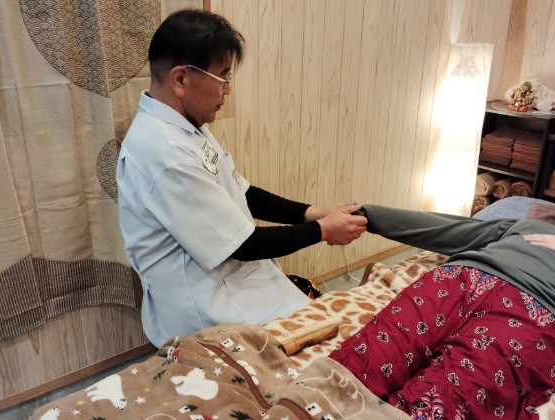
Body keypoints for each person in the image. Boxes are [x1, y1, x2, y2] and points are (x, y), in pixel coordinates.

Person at [116, 9, 367, 348]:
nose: (228, 90)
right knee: (339, 348)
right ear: (181, 79)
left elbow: (242, 190)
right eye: (223, 77)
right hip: (207, 309)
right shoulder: (165, 153)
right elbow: (244, 245)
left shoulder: (186, 127)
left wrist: (312, 212)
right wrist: (323, 230)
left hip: (233, 282)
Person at [329, 190, 555, 420]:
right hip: (459, 280)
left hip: (538, 310)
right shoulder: (524, 226)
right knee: (367, 357)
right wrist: (368, 215)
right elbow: (446, 228)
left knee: (448, 398)